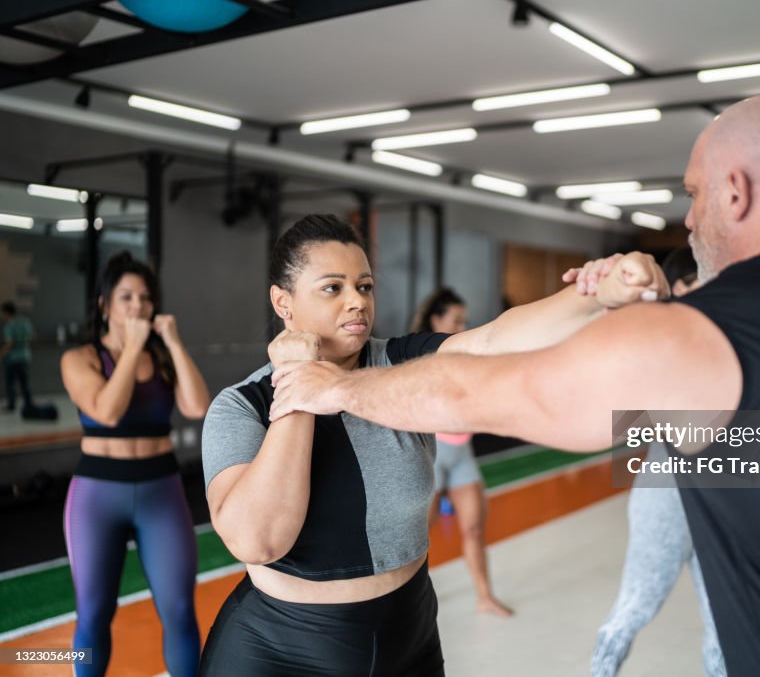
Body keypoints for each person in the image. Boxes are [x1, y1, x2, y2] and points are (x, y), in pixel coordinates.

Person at [269, 94, 760, 676]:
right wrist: (624, 317)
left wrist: (333, 389)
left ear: (735, 192)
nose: (687, 217)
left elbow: (474, 392)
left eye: (694, 193)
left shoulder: (707, 332)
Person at [199, 214, 659, 676]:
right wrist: (296, 384)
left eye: (365, 286)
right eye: (332, 288)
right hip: (282, 651)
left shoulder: (402, 364)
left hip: (409, 632)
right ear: (283, 302)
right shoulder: (242, 407)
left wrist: (598, 292)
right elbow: (257, 541)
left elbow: (495, 340)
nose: (357, 302)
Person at [60, 252, 210, 677]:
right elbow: (107, 411)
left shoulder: (161, 356)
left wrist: (174, 343)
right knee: (93, 612)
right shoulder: (80, 358)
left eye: (145, 298)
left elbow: (197, 406)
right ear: (105, 305)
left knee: (180, 609)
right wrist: (130, 347)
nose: (137, 307)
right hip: (96, 495)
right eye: (125, 297)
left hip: (161, 489)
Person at [590, 248, 725, 677]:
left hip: (723, 493)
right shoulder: (659, 337)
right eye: (693, 283)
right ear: (678, 287)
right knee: (636, 606)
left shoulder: (726, 334)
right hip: (666, 491)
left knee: (725, 621)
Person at [411, 287, 513, 617]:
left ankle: (485, 596)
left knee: (474, 528)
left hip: (462, 454)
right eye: (456, 320)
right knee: (418, 538)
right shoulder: (419, 357)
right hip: (433, 455)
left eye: (464, 320)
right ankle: (408, 604)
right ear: (436, 320)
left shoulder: (466, 354)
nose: (462, 326)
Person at [2, 300, 35, 412]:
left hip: (12, 358)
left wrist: (1, 354)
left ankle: (11, 405)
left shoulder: (10, 325)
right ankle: (29, 404)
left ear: (6, 312)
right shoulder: (25, 321)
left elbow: (9, 344)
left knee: (10, 383)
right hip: (25, 356)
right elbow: (31, 335)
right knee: (25, 383)